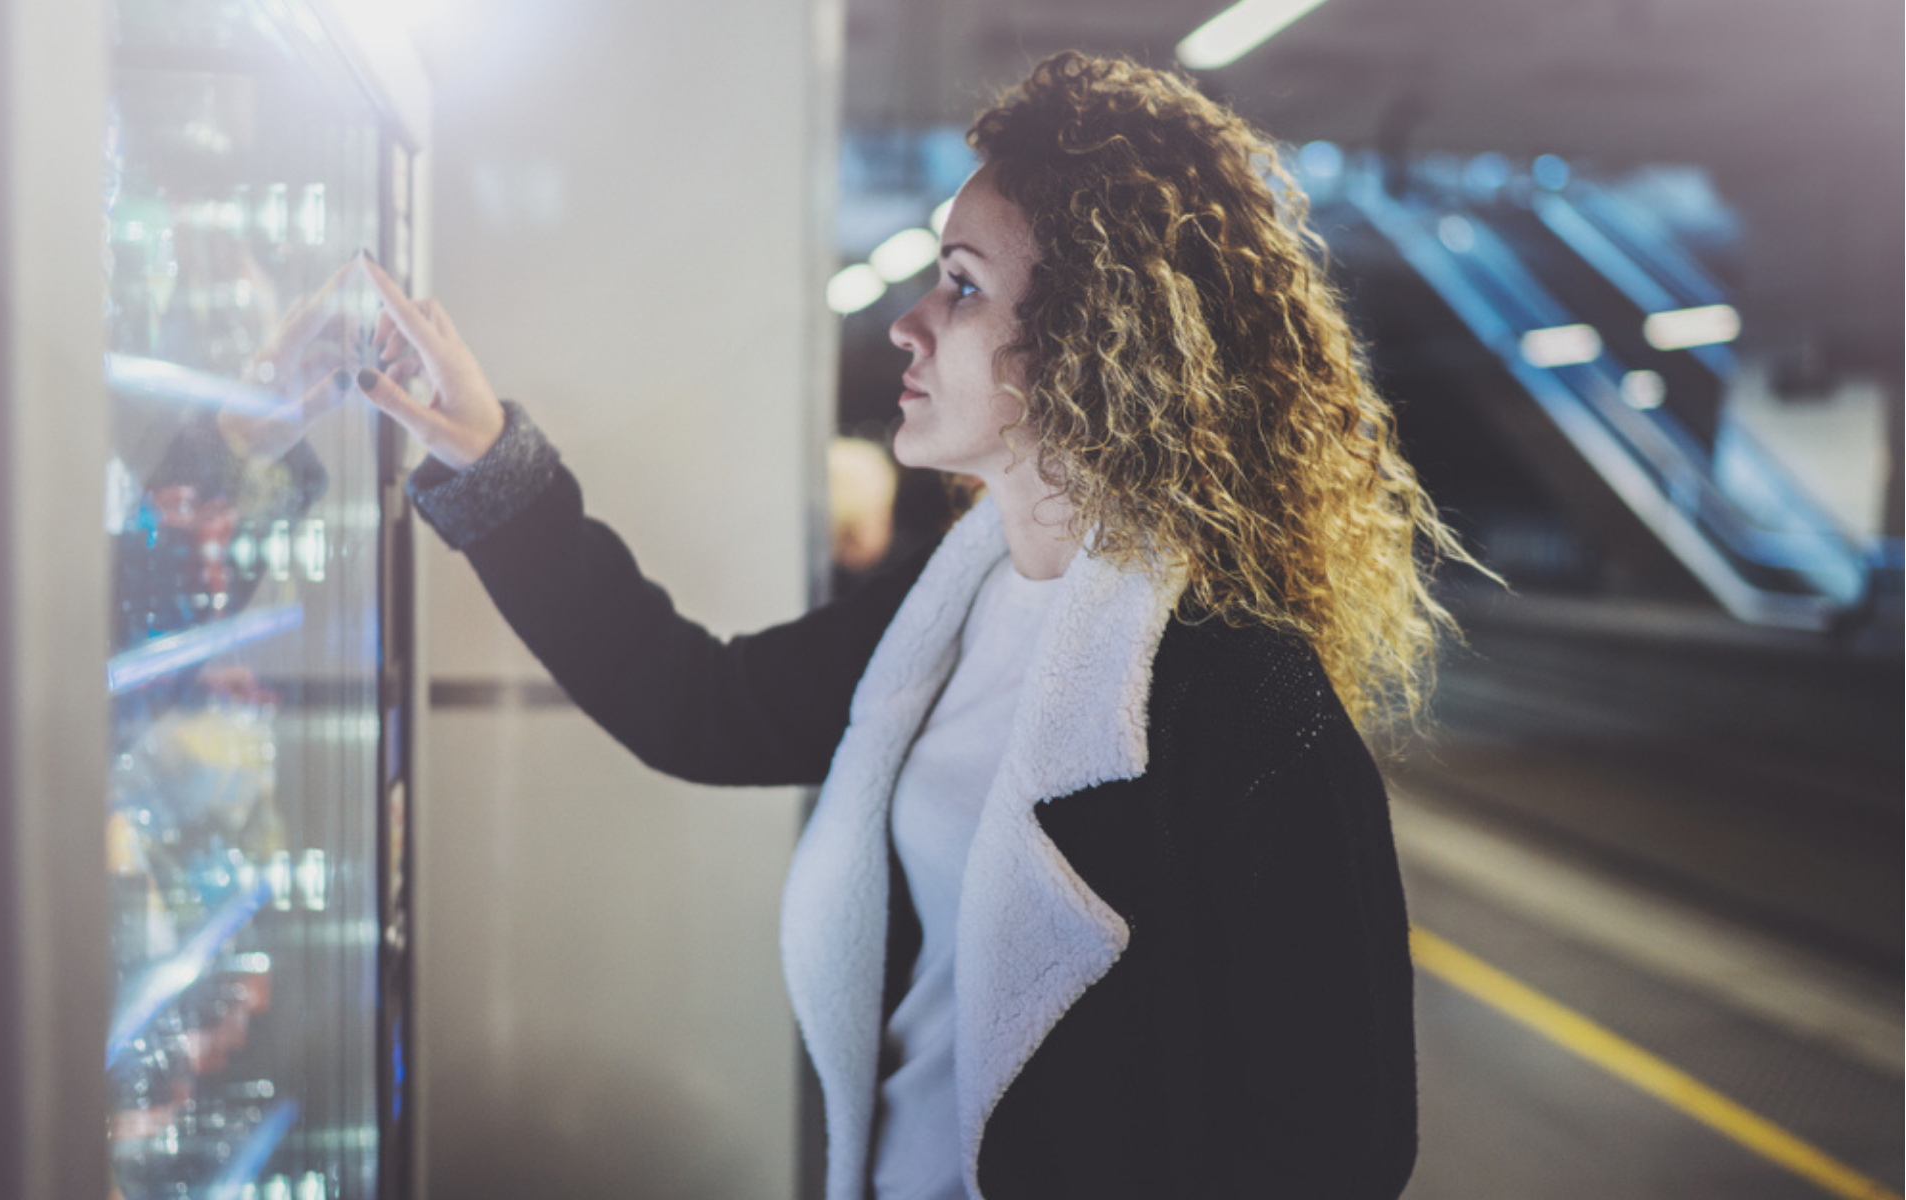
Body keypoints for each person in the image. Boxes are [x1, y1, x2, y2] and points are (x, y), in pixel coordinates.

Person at [355, 50, 1473, 1200]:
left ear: (1089, 342)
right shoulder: (947, 607)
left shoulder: (1241, 692)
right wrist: (491, 460)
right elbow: (694, 707)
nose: (909, 322)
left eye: (963, 285)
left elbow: (1342, 1144)